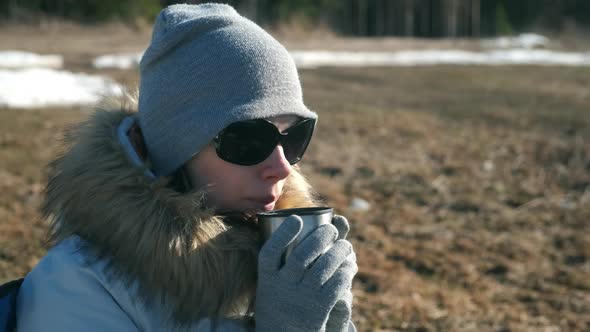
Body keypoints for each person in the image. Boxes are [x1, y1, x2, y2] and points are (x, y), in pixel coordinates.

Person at [15, 3, 357, 331]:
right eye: (249, 140)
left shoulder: (281, 265)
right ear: (175, 148)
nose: (281, 168)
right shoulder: (79, 286)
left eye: (294, 136)